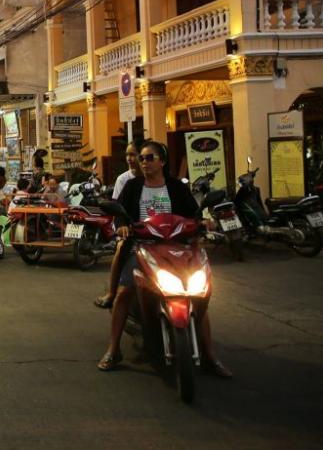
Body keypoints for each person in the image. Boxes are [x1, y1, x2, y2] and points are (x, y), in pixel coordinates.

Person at [97, 141, 231, 377]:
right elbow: (121, 213)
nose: (144, 162)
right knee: (125, 291)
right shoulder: (133, 186)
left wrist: (202, 222)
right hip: (142, 246)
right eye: (142, 159)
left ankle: (210, 355)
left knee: (198, 294)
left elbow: (193, 212)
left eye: (150, 158)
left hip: (177, 247)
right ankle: (113, 348)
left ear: (162, 161)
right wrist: (123, 227)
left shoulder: (176, 186)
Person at [95, 144, 144, 309]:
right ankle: (112, 293)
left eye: (134, 154)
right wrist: (123, 225)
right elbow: (118, 208)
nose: (130, 159)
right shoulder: (125, 180)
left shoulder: (165, 182)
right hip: (130, 229)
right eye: (128, 155)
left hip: (156, 232)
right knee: (121, 249)